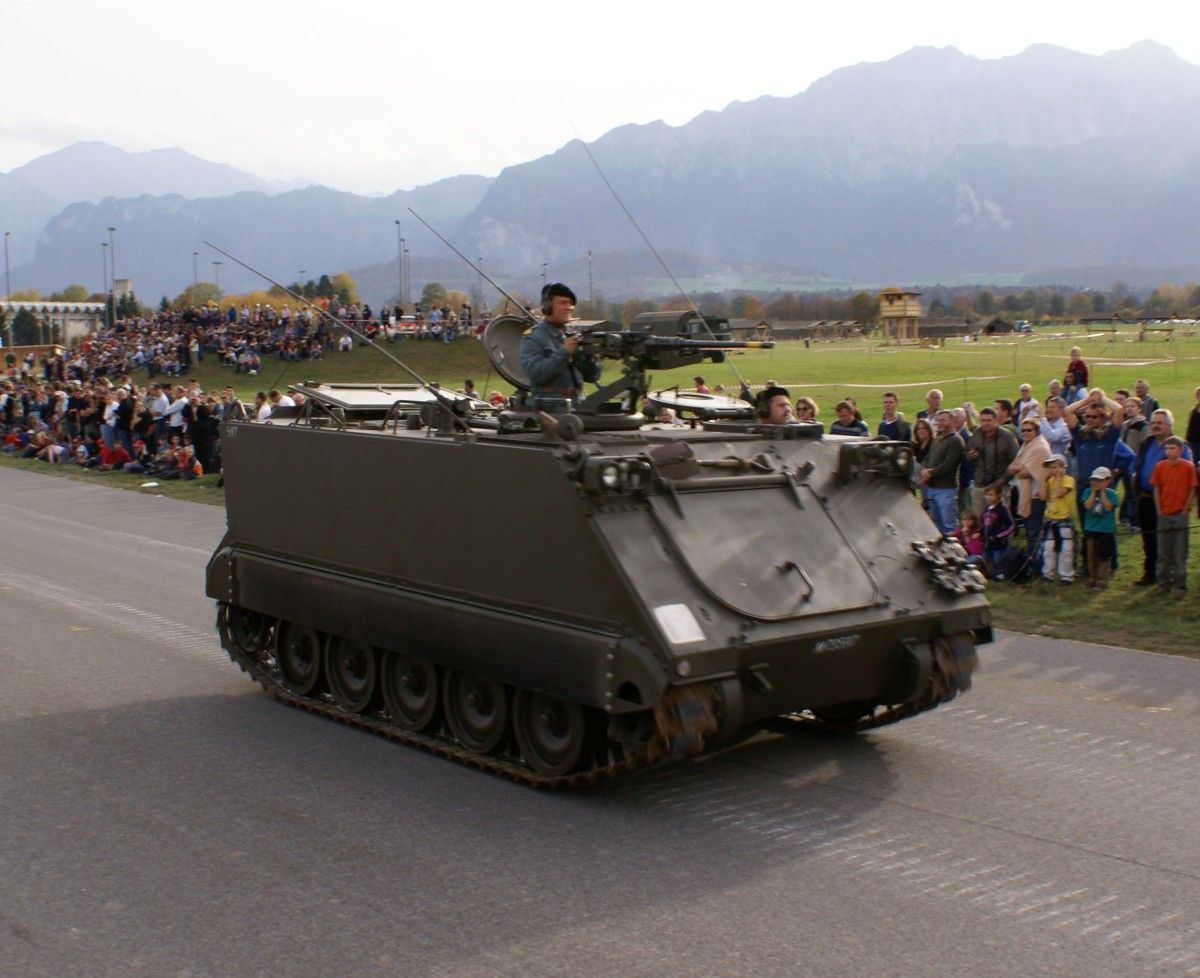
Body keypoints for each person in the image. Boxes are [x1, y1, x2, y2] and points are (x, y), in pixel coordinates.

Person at [1131, 410, 1194, 586]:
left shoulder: (1179, 445)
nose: (1156, 425)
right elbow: (1137, 463)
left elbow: (1187, 475)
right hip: (1145, 498)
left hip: (1168, 502)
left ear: (1169, 425)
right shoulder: (1146, 443)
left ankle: (1171, 576)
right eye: (1154, 422)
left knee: (1170, 542)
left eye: (1160, 422)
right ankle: (1150, 573)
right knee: (1149, 538)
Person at [519, 283, 600, 412]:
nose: (569, 308)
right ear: (547, 306)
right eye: (563, 303)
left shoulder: (573, 335)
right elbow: (536, 374)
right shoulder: (533, 337)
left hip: (579, 407)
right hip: (549, 410)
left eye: (571, 304)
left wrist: (589, 355)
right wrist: (564, 352)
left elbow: (593, 377)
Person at [1150, 435, 1197, 599]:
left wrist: (1185, 510)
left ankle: (1180, 586)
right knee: (1163, 552)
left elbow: (1192, 488)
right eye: (1167, 448)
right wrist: (1159, 510)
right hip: (1164, 513)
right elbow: (1156, 488)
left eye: (1172, 448)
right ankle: (1162, 583)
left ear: (1180, 450)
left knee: (1180, 552)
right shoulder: (1160, 467)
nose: (1169, 451)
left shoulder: (1188, 467)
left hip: (1180, 514)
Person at [1008, 417, 1051, 560]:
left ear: (1037, 431)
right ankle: (1032, 559)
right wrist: (1021, 467)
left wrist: (1020, 468)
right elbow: (1012, 468)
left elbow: (1024, 472)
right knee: (1028, 530)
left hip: (1036, 495)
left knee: (1034, 531)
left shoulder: (1039, 447)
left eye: (1029, 430)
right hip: (1024, 493)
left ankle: (1036, 561)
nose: (1025, 433)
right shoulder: (1026, 445)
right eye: (1023, 430)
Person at [966, 407, 1018, 515]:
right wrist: (972, 455)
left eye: (989, 420)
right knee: (979, 519)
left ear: (996, 420)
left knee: (999, 520)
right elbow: (968, 455)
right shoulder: (976, 434)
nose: (985, 423)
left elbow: (1016, 460)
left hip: (999, 486)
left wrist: (1003, 479)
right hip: (979, 485)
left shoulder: (1007, 436)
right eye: (983, 420)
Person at [919, 410, 963, 535]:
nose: (940, 423)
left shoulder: (955, 440)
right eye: (938, 420)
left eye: (943, 420)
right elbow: (928, 458)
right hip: (932, 488)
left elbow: (949, 464)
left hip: (946, 490)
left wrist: (930, 472)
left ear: (952, 421)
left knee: (948, 525)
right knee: (936, 525)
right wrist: (923, 470)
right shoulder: (937, 439)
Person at [1037, 454, 1075, 584]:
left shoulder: (1068, 480)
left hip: (1064, 518)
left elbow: (1059, 493)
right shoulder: (1049, 481)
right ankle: (1048, 573)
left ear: (1063, 467)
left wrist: (1059, 476)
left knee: (1066, 549)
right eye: (1050, 468)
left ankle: (1066, 575)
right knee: (1048, 548)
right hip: (1050, 518)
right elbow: (1042, 497)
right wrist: (1043, 480)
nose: (1052, 470)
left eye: (1055, 467)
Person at [1081, 466, 1118, 590]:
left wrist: (1102, 493)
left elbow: (1108, 508)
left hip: (1105, 530)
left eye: (1099, 480)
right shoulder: (1087, 492)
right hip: (1091, 529)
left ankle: (1102, 580)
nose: (1095, 482)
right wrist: (1093, 492)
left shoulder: (1111, 494)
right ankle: (1092, 577)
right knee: (1091, 555)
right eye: (1094, 479)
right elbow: (1087, 505)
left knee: (1104, 556)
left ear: (1107, 481)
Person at [979, 485, 1015, 571]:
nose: (988, 497)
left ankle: (1000, 575)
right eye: (986, 494)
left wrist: (997, 536)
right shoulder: (986, 509)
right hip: (987, 543)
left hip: (999, 544)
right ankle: (988, 574)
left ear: (999, 495)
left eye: (991, 495)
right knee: (985, 562)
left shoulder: (1003, 509)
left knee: (998, 563)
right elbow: (982, 524)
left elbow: (1011, 526)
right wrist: (979, 532)